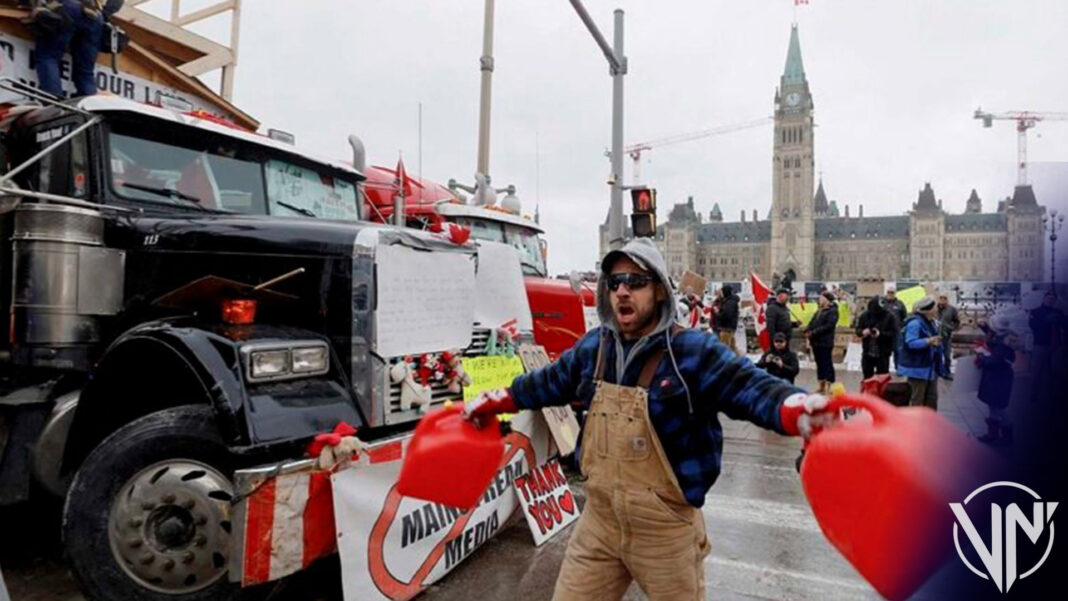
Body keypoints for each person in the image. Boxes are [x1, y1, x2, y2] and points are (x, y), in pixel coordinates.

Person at [461, 238, 831, 601]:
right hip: (600, 525)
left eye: (636, 282)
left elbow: (749, 387)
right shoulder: (595, 348)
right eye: (616, 282)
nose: (623, 291)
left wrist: (794, 409)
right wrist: (501, 399)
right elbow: (548, 383)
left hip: (666, 532)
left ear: (658, 291)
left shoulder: (691, 350)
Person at [33, 1, 123, 98]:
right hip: (95, 15)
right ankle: (88, 104)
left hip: (67, 8)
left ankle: (52, 98)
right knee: (85, 71)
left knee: (48, 57)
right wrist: (104, 14)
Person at [898, 296, 947, 410]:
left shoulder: (931, 322)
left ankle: (929, 422)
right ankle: (915, 424)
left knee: (931, 398)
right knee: (917, 399)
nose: (936, 309)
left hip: (930, 367)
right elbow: (910, 342)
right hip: (918, 369)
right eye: (934, 307)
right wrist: (929, 341)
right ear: (928, 310)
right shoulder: (915, 323)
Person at [975, 314, 1017, 445]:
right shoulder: (1003, 336)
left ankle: (1006, 435)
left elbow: (996, 361)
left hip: (999, 378)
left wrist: (982, 356)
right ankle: (992, 434)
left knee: (998, 408)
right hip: (998, 377)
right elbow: (994, 336)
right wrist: (984, 327)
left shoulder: (1003, 343)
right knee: (993, 405)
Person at [1028, 291, 1065, 403]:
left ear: (1055, 301)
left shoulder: (1059, 312)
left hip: (1056, 345)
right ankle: (1034, 394)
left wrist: (1061, 319)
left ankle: (1054, 394)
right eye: (1048, 298)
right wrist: (1047, 320)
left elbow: (1065, 325)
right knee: (1036, 371)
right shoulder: (1035, 311)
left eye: (1053, 299)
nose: (1050, 300)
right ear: (1044, 298)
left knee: (1055, 371)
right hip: (1040, 345)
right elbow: (1034, 326)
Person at [804, 291, 839, 394]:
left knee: (826, 363)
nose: (819, 300)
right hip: (816, 342)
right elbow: (812, 322)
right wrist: (807, 329)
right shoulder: (819, 310)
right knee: (819, 364)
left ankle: (829, 385)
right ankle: (821, 385)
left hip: (825, 342)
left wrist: (813, 333)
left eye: (821, 298)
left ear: (827, 299)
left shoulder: (832, 311)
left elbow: (828, 326)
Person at [855, 296, 896, 379]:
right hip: (868, 351)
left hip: (883, 352)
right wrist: (862, 332)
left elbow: (893, 333)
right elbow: (858, 330)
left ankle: (881, 392)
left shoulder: (889, 316)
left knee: (882, 377)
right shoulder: (865, 315)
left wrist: (880, 334)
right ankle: (867, 392)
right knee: (867, 376)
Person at [937, 293, 961, 378]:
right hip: (935, 336)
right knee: (936, 355)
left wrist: (950, 328)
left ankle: (947, 372)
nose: (943, 299)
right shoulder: (934, 308)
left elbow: (957, 322)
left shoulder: (952, 309)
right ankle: (938, 372)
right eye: (941, 297)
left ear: (948, 299)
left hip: (946, 336)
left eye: (945, 298)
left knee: (947, 355)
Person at [714, 284, 740, 352]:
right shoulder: (730, 301)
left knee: (724, 349)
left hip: (726, 328)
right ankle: (738, 360)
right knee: (732, 348)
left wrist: (717, 313)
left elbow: (726, 315)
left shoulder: (729, 302)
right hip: (729, 328)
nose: (721, 294)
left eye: (722, 292)